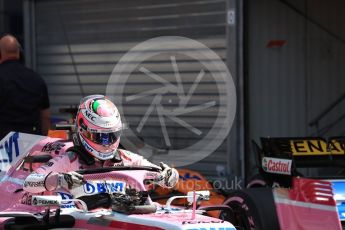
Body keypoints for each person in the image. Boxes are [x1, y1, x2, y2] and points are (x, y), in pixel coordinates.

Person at [23, 95, 178, 194]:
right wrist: (58, 180)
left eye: (111, 136)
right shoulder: (70, 160)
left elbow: (160, 175)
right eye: (100, 137)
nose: (107, 143)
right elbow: (29, 183)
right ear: (83, 130)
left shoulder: (127, 159)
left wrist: (168, 176)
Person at [0, 34, 50, 139]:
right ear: (20, 53)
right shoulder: (37, 78)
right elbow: (45, 117)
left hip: (3, 144)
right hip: (31, 144)